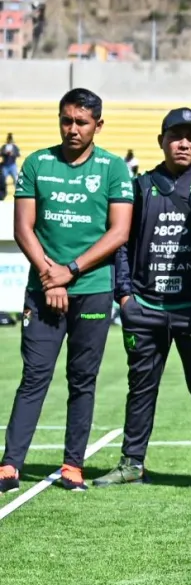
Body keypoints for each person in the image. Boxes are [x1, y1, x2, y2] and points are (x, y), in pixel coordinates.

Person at [0, 88, 133, 494]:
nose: (72, 129)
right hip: (43, 290)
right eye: (66, 120)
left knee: (82, 378)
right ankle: (10, 464)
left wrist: (70, 271)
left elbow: (119, 232)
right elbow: (23, 228)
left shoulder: (113, 168)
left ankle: (73, 465)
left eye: (81, 122)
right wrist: (49, 275)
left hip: (92, 289)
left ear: (98, 124)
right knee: (34, 377)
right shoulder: (38, 163)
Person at [94, 108, 191, 490]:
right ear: (161, 141)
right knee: (141, 388)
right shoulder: (140, 186)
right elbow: (121, 243)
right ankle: (132, 462)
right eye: (175, 136)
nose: (183, 143)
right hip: (147, 308)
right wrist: (124, 295)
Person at [2, 133, 20, 199]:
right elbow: (1, 153)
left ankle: (18, 194)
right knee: (3, 180)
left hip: (12, 165)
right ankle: (3, 194)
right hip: (5, 165)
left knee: (15, 180)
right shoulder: (4, 147)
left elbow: (18, 154)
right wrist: (5, 153)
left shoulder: (14, 147)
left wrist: (13, 153)